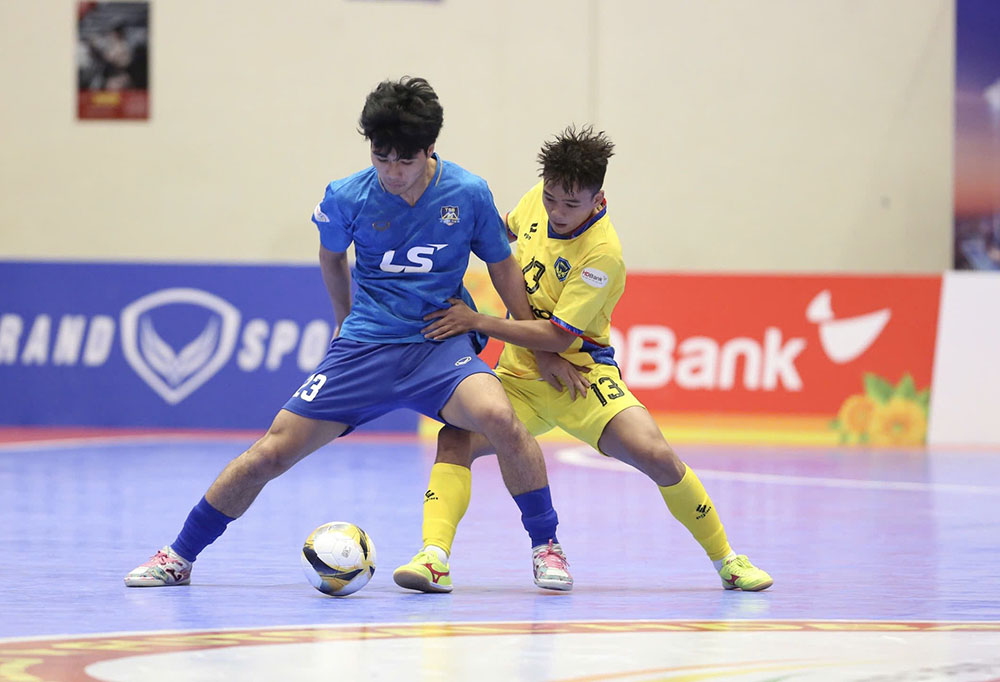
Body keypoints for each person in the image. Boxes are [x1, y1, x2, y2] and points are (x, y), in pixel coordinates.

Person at [124, 77, 572, 592]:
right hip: (363, 346)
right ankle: (178, 556)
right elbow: (331, 257)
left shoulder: (468, 193)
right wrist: (344, 319)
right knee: (271, 451)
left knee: (499, 418)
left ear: (430, 149)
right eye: (382, 159)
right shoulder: (346, 196)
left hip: (439, 342)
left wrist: (532, 342)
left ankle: (546, 547)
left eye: (404, 162)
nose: (392, 173)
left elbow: (502, 266)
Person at [393, 125, 772, 593]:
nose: (557, 211)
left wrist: (477, 321)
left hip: (582, 378)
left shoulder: (602, 254)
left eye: (571, 204)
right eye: (551, 197)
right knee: (453, 439)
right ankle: (434, 557)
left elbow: (556, 337)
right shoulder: (538, 199)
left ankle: (727, 560)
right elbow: (494, 239)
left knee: (657, 456)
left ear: (598, 198)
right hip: (519, 373)